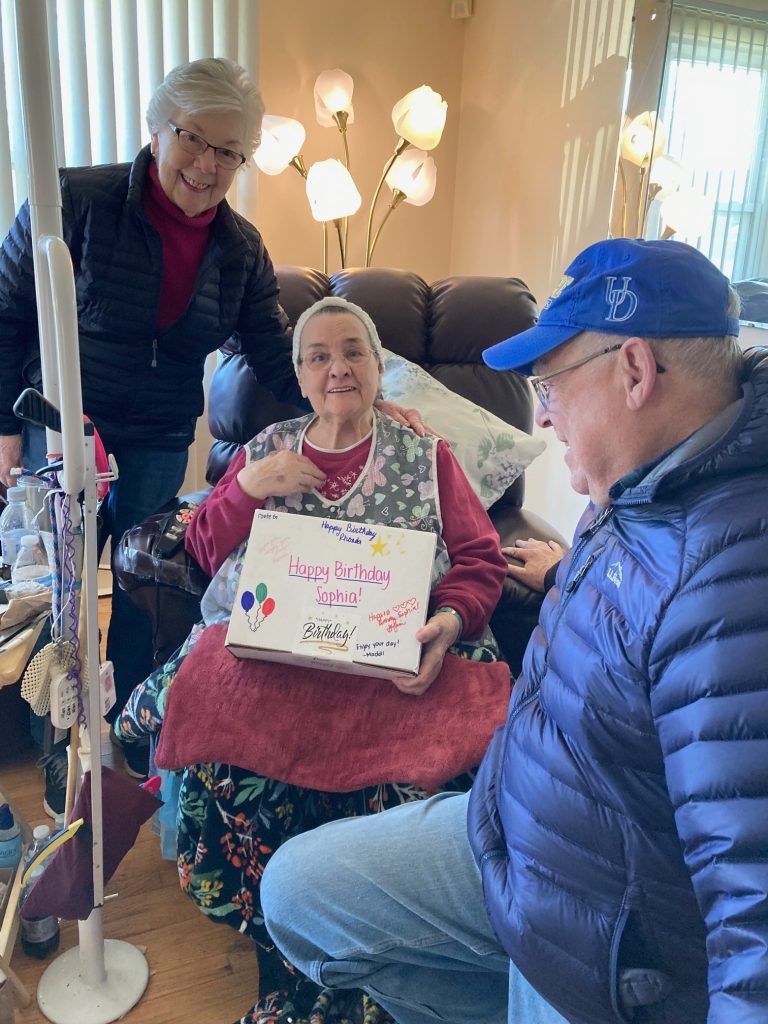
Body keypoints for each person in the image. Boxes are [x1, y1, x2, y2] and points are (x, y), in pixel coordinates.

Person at [258, 237, 768, 1024]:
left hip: (589, 942)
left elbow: (753, 905)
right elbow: (647, 615)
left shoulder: (735, 586)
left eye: (550, 381)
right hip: (510, 826)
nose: (539, 411)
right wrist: (565, 574)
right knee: (297, 893)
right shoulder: (640, 488)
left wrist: (459, 606)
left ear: (634, 371)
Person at [0, 58, 420, 787]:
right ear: (156, 129)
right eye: (196, 139)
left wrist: (364, 405)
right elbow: (6, 315)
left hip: (161, 435)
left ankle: (129, 733)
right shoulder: (73, 201)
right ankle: (59, 750)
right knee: (64, 595)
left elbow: (272, 350)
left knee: (144, 588)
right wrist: (6, 435)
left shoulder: (240, 248)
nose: (209, 165)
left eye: (231, 151)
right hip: (67, 430)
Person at [117, 295, 509, 1024]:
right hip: (282, 661)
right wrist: (244, 486)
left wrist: (450, 621)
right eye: (319, 356)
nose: (338, 369)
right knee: (233, 762)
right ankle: (291, 947)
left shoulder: (424, 454)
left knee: (399, 783)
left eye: (353, 352)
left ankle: (365, 958)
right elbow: (202, 551)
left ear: (377, 367)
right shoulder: (268, 447)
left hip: (393, 664)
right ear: (298, 376)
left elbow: (482, 558)